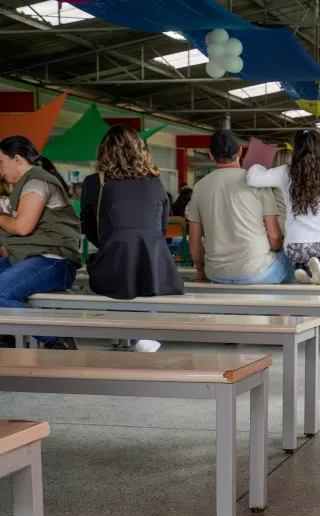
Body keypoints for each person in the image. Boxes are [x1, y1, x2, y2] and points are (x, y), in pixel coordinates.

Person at [81, 125, 184, 353]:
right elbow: (162, 227)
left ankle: (137, 334)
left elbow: (88, 227)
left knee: (117, 269)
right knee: (139, 269)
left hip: (114, 260)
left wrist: (111, 244)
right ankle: (144, 334)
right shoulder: (155, 182)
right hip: (155, 264)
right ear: (139, 149)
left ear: (104, 151)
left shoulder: (94, 182)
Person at [0, 136, 81, 350]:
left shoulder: (37, 181)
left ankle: (56, 338)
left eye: (1, 162)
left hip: (55, 262)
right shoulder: (24, 185)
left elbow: (22, 227)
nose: (0, 170)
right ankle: (6, 335)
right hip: (29, 258)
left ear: (17, 159)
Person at [187, 131, 292, 285]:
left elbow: (194, 239)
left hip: (216, 273)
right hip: (258, 272)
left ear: (211, 155)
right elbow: (275, 238)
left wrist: (201, 274)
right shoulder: (257, 183)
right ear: (240, 152)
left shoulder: (199, 187)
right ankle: (288, 301)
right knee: (294, 262)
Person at [246, 130, 320, 285]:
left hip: (293, 247)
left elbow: (252, 179)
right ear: (319, 152)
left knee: (304, 255)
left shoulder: (285, 173)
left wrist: (258, 166)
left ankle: (304, 267)